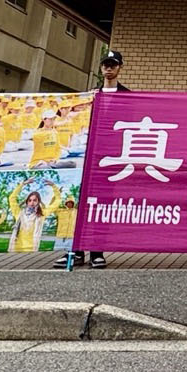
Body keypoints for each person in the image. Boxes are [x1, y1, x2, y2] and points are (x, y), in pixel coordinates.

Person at [56, 49, 131, 270]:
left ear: (120, 68)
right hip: (87, 158)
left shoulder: (128, 96)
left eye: (113, 65)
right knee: (79, 203)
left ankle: (97, 251)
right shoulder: (90, 96)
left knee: (102, 204)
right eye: (106, 65)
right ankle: (75, 251)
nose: (109, 68)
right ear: (101, 68)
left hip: (110, 160)